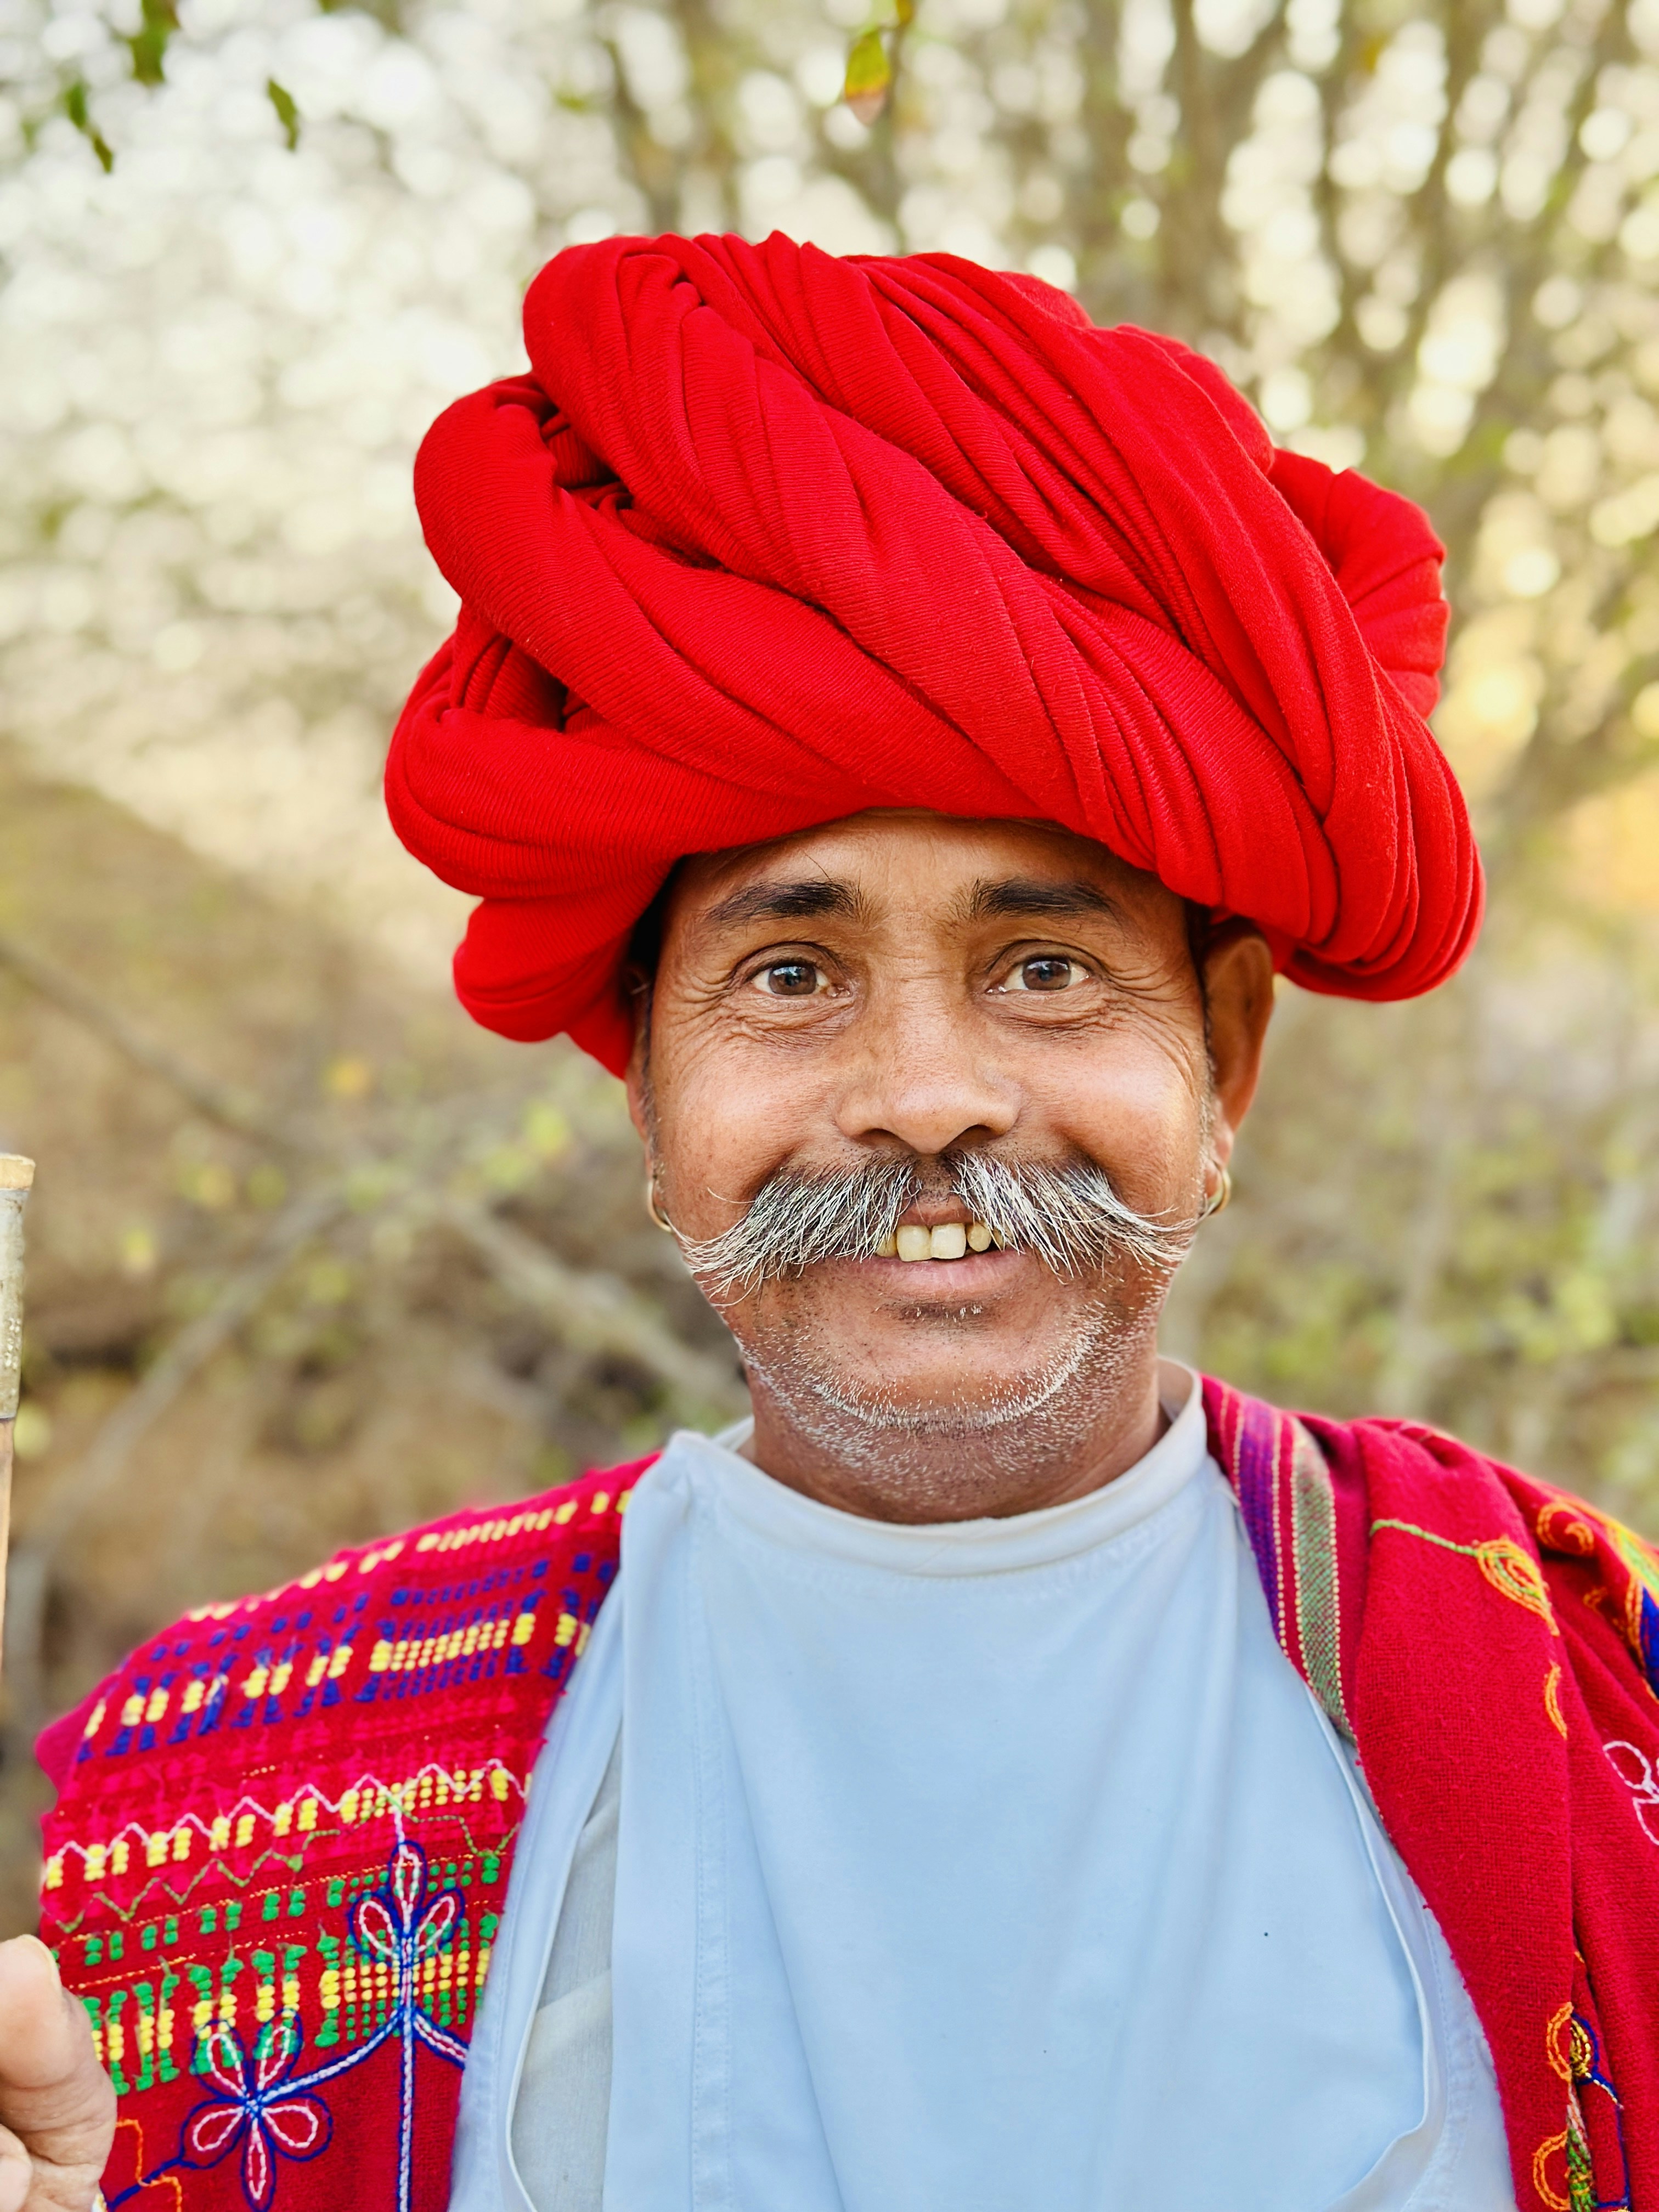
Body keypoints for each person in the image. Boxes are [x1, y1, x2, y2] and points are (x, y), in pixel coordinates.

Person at [2, 233, 1656, 2212]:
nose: (927, 1088)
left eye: (1045, 966)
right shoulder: (239, 1794)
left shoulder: (1597, 1700)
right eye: (791, 978)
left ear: (1225, 1053)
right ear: (644, 1085)